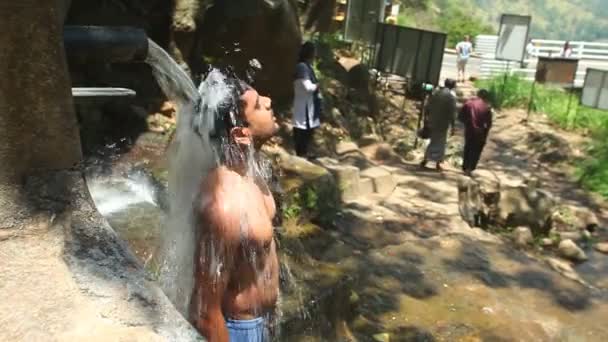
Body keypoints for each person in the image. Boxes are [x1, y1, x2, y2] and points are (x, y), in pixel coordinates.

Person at [190, 72, 280, 342]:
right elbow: (205, 311)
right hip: (239, 330)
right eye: (257, 105)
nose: (269, 100)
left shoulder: (251, 173)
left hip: (263, 321)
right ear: (241, 134)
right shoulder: (224, 206)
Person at [420, 78, 458, 171]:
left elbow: (427, 107)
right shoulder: (450, 97)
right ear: (452, 86)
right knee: (440, 143)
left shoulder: (436, 93)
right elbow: (452, 113)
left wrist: (426, 119)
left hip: (432, 121)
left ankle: (425, 160)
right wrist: (453, 126)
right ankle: (436, 163)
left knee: (432, 141)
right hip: (442, 123)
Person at [293, 41, 322, 159]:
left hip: (308, 104)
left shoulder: (307, 66)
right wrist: (317, 86)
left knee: (308, 130)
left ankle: (304, 152)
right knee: (302, 130)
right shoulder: (302, 67)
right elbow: (306, 86)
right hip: (303, 103)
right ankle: (301, 154)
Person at [459, 89, 493, 175]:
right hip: (480, 132)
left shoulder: (468, 103)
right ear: (485, 97)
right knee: (476, 150)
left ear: (478, 95)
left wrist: (467, 123)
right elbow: (488, 124)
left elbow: (460, 117)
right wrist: (485, 133)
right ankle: (470, 168)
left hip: (469, 130)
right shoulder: (486, 107)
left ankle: (465, 167)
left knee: (468, 147)